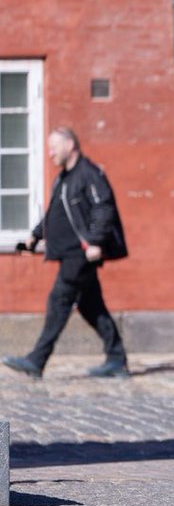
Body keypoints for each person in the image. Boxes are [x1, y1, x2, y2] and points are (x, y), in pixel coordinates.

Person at [3, 128, 129, 380]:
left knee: (58, 301)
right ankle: (116, 359)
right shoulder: (64, 179)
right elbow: (54, 213)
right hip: (69, 253)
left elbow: (103, 208)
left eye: (53, 147)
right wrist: (36, 235)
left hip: (80, 253)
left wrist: (95, 242)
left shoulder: (89, 174)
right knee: (91, 306)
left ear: (70, 144)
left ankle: (36, 360)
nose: (49, 153)